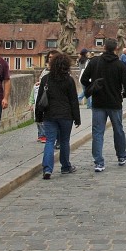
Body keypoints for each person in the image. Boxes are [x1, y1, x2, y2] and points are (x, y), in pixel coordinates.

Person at [81, 38, 126, 172]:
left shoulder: (94, 62)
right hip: (115, 102)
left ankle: (99, 162)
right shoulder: (120, 65)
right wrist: (124, 95)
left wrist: (92, 87)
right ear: (116, 49)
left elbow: (83, 79)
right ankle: (121, 156)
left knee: (98, 132)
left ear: (104, 48)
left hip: (98, 102)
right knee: (118, 129)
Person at [38, 52, 81, 180]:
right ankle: (65, 166)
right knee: (64, 141)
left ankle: (47, 169)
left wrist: (38, 116)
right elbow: (73, 100)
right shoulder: (68, 80)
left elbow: (40, 99)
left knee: (50, 141)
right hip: (65, 115)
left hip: (49, 115)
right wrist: (77, 118)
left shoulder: (46, 79)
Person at [29, 51, 57, 144]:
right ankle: (42, 135)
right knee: (41, 117)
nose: (51, 59)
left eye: (53, 57)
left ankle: (47, 135)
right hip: (43, 97)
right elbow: (41, 83)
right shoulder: (45, 71)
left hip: (54, 100)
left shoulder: (60, 71)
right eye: (49, 57)